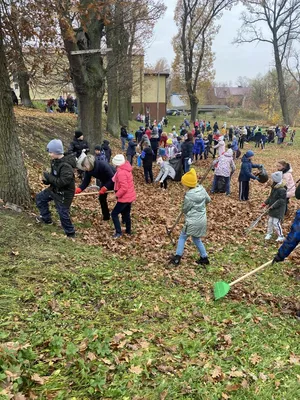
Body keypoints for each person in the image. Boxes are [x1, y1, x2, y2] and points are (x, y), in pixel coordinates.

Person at [169, 168, 211, 266]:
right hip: (202, 219)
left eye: (184, 184)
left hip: (192, 221)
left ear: (188, 184)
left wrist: (185, 206)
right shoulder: (202, 189)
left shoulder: (189, 195)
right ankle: (204, 257)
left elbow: (185, 209)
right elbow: (208, 200)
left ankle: (177, 258)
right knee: (196, 239)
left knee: (182, 237)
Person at [36, 139, 76, 238]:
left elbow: (62, 182)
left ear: (57, 152)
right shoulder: (55, 162)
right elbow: (55, 177)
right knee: (40, 198)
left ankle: (70, 233)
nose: (49, 154)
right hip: (54, 189)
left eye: (51, 152)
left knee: (63, 213)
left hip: (64, 194)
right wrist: (47, 181)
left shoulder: (66, 166)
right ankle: (46, 219)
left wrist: (49, 177)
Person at [75, 155, 115, 221]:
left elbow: (112, 178)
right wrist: (80, 189)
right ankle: (106, 216)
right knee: (102, 198)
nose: (84, 168)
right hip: (104, 181)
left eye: (85, 166)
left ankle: (124, 217)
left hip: (115, 180)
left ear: (89, 164)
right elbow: (86, 182)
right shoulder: (88, 171)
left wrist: (106, 187)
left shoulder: (103, 165)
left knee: (121, 199)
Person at [111, 154, 136, 238]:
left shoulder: (121, 172)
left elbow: (124, 188)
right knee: (126, 214)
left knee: (114, 214)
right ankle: (128, 231)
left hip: (125, 197)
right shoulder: (126, 169)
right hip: (130, 196)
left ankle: (118, 232)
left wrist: (115, 196)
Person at [262, 171, 286, 241]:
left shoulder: (282, 190)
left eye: (273, 179)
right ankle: (269, 233)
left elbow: (281, 201)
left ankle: (281, 236)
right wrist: (265, 203)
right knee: (270, 222)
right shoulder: (274, 187)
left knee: (276, 223)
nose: (272, 180)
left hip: (278, 210)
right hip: (272, 208)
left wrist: (273, 206)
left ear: (276, 180)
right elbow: (271, 197)